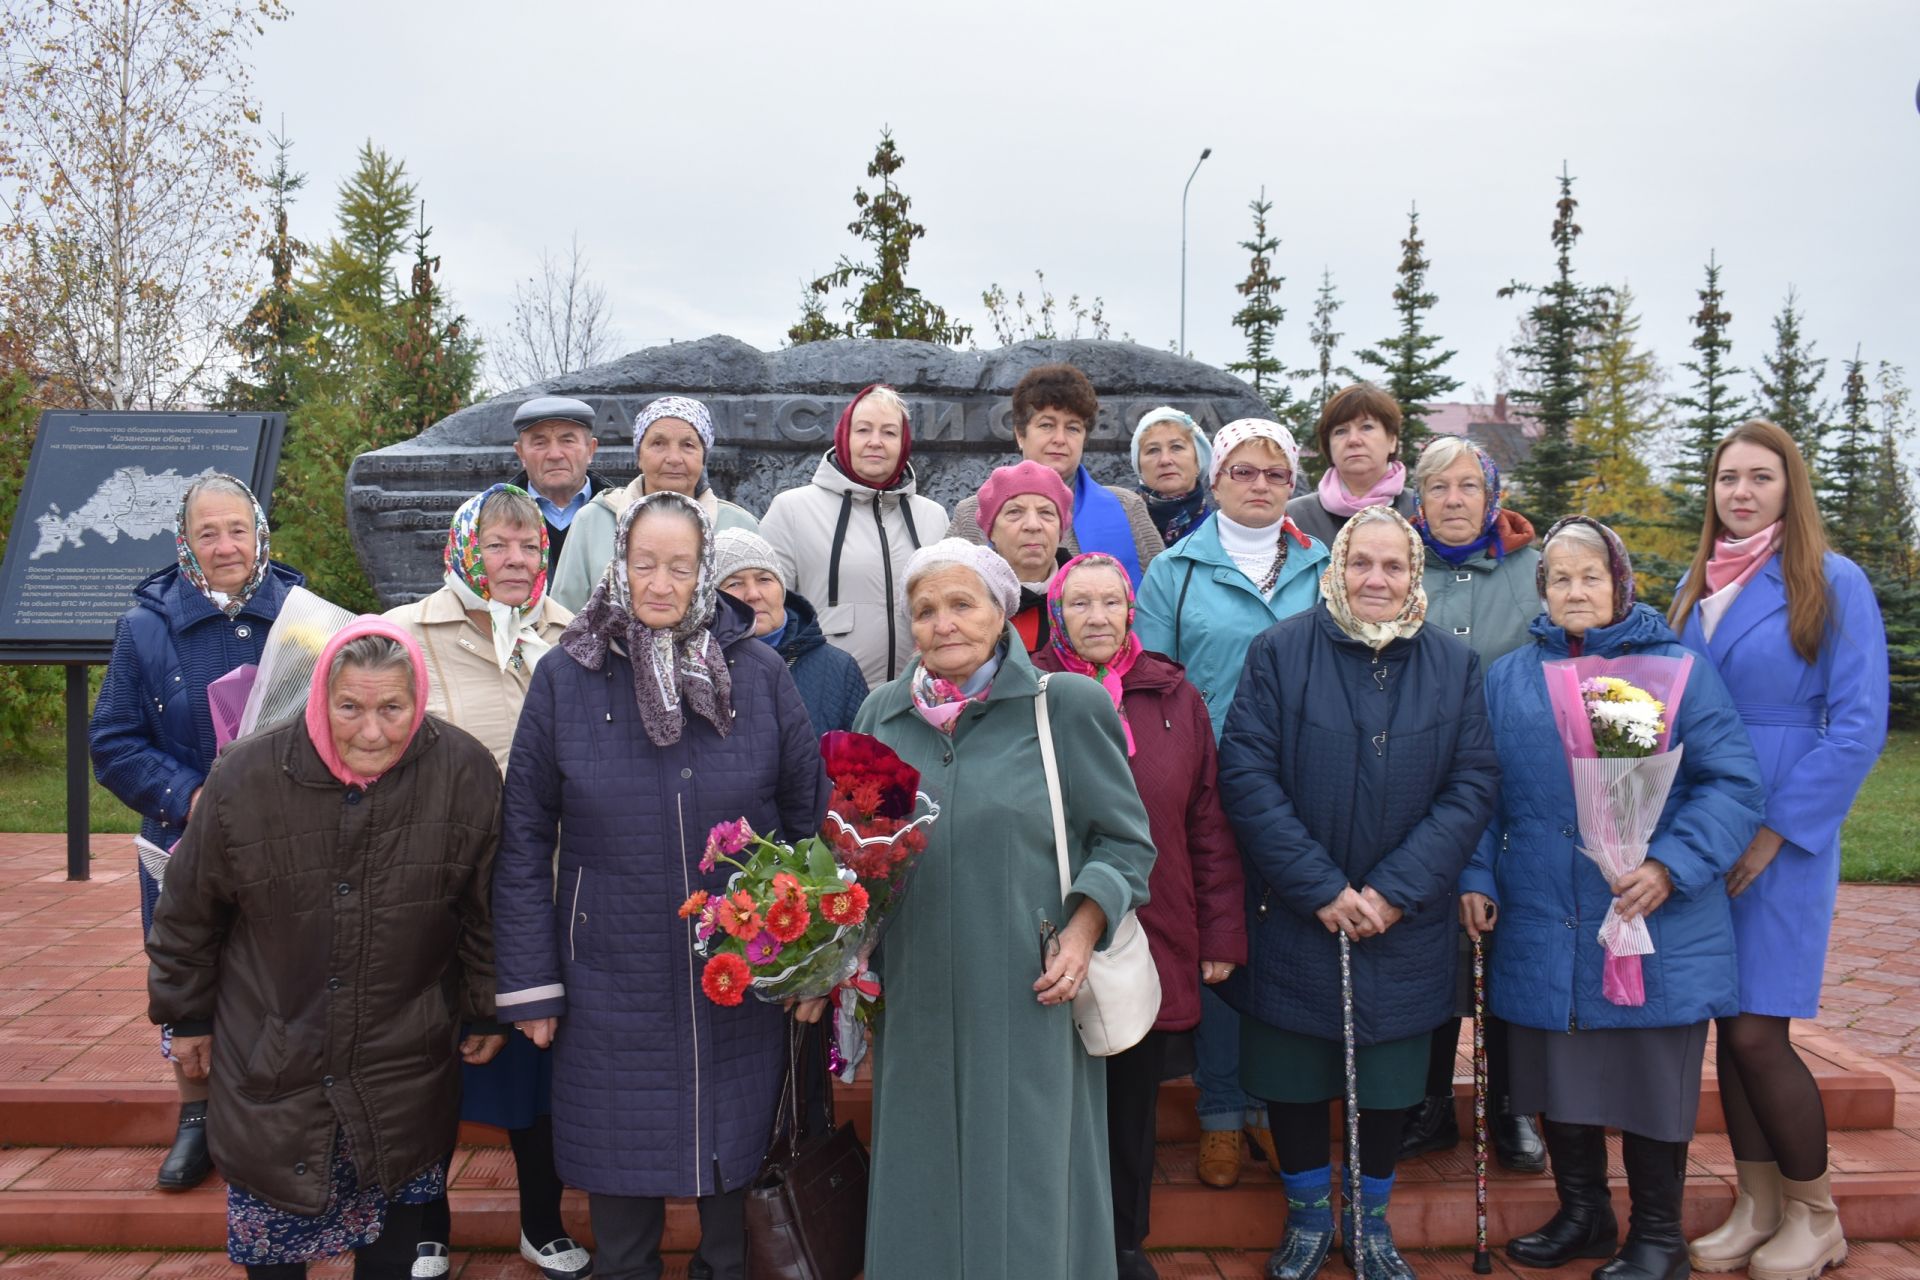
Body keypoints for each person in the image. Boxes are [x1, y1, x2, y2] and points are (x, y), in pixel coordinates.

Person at [492, 491, 829, 1280]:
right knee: (620, 1170)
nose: (660, 583)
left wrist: (814, 960)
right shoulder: (566, 677)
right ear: (618, 563)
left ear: (706, 569)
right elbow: (525, 836)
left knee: (733, 1178)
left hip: (741, 968)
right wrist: (532, 983)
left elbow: (808, 820)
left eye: (680, 566)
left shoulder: (761, 672)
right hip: (609, 967)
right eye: (644, 563)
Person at [146, 617, 506, 1279]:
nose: (372, 731)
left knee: (391, 1256)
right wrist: (187, 1014)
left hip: (404, 1063)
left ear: (418, 700)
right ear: (320, 698)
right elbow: (188, 909)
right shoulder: (246, 777)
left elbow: (484, 908)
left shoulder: (465, 774)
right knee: (275, 1255)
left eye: (392, 708)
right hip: (275, 1053)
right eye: (350, 707)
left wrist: (485, 1005)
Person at [1461, 517, 1765, 1280]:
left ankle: (1657, 1234)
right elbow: (1477, 791)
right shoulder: (1509, 677)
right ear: (1541, 588)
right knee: (1557, 1068)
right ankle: (1585, 1213)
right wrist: (1475, 874)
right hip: (1542, 914)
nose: (1574, 591)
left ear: (1620, 583)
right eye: (1559, 578)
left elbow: (1731, 784)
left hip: (1646, 912)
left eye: (1590, 576)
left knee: (1648, 1077)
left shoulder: (1667, 669)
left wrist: (1670, 864)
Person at [853, 538, 1155, 1280]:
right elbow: (857, 864)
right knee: (921, 1182)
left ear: (1002, 612)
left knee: (1029, 1188)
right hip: (916, 997)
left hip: (1031, 991)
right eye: (925, 611)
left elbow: (1124, 844)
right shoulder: (882, 717)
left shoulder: (1064, 707)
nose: (944, 624)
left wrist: (1084, 932)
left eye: (963, 603)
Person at [1218, 506, 1499, 1280]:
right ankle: (1309, 1219)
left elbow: (1471, 784)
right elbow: (1246, 775)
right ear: (1335, 568)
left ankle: (1370, 1224)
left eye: (1394, 565)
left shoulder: (1453, 664)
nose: (1376, 579)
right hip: (1297, 910)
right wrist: (1321, 888)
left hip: (1402, 920)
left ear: (1415, 575)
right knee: (1294, 1073)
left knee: (1388, 1081)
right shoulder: (1279, 651)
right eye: (1360, 563)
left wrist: (1394, 892)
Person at [1670, 421, 1887, 1279]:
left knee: (1762, 1030)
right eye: (1728, 478)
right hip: (1703, 824)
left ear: (1790, 488)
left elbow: (1860, 725)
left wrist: (1774, 829)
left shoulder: (1832, 581)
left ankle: (1816, 1211)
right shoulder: (1697, 586)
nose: (1743, 492)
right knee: (1731, 1021)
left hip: (1783, 829)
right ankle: (1759, 1204)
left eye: (1762, 477)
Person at [382, 484, 585, 1280]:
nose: (515, 560)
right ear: (464, 546)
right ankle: (427, 1226)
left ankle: (542, 1220)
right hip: (435, 893)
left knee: (538, 1063)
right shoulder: (405, 633)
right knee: (433, 1061)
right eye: (498, 544)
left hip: (545, 886)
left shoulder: (572, 637)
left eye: (530, 546)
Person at [1031, 553, 1245, 1280]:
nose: (1097, 618)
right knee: (1053, 1098)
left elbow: (1207, 822)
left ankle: (1123, 1244)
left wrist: (1219, 931)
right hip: (1051, 930)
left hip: (1154, 926)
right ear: (1058, 612)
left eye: (1111, 603)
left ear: (1132, 611)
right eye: (1080, 604)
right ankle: (1054, 1238)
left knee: (1130, 1102)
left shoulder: (1174, 697)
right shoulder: (1026, 691)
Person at [90, 473, 305, 1192]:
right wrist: (194, 795)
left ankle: (293, 1115)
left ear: (260, 533)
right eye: (207, 532)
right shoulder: (145, 627)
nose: (225, 546)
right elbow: (114, 741)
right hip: (188, 842)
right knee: (191, 973)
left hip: (288, 838)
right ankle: (195, 1118)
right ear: (185, 540)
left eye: (237, 529)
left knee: (291, 974)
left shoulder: (303, 619)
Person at [1133, 418, 1329, 1188]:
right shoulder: (1175, 572)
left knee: (1289, 953)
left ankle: (1280, 1109)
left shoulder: (1325, 566)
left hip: (1307, 789)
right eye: (1241, 471)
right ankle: (1220, 1113)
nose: (1258, 485)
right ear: (1214, 482)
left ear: (1292, 487)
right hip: (1208, 792)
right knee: (1216, 944)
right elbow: (1151, 682)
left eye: (1274, 475)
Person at [1398, 437, 1547, 1172]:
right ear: (1416, 499)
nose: (1453, 500)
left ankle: (1512, 1106)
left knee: (1505, 949)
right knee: (1426, 943)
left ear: (1492, 496)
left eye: (1467, 486)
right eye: (1438, 487)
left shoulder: (1531, 570)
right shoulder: (1397, 566)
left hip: (1516, 788)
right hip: (1418, 786)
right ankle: (1428, 1103)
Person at [758, 383, 950, 687]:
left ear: (904, 443)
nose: (875, 442)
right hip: (823, 695)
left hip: (917, 699)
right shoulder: (792, 510)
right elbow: (764, 609)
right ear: (845, 437)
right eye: (863, 430)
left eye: (889, 432)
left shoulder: (933, 516)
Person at [950, 363, 1164, 584]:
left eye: (1073, 428)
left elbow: (1164, 599)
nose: (1060, 439)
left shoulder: (1127, 508)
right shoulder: (971, 516)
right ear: (1020, 435)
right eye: (1046, 425)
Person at [549, 395, 759, 612]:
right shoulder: (593, 521)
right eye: (658, 443)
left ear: (703, 457)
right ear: (639, 455)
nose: (674, 458)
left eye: (688, 445)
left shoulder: (740, 526)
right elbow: (562, 617)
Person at [713, 526, 869, 736]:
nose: (753, 594)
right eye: (734, 583)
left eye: (764, 579)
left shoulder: (838, 668)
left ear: (782, 590)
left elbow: (863, 757)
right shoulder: (696, 667)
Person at [1286, 383, 1419, 548]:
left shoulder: (1421, 511)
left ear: (1392, 440)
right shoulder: (1296, 517)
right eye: (1341, 431)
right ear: (1328, 446)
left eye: (1367, 427)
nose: (1353, 440)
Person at [977, 460, 1074, 652]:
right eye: (1015, 512)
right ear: (992, 531)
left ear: (1060, 529)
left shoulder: (1086, 597)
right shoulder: (967, 600)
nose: (1032, 525)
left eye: (1046, 512)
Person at [510, 395, 613, 569]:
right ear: (521, 453)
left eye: (567, 441)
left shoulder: (622, 513)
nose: (555, 455)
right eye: (540, 443)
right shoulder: (487, 516)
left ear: (591, 449)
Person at [1131, 405, 1214, 546]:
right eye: (1153, 450)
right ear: (1139, 466)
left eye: (1177, 447)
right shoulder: (1118, 527)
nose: (1165, 460)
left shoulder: (1221, 535)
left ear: (1198, 460)